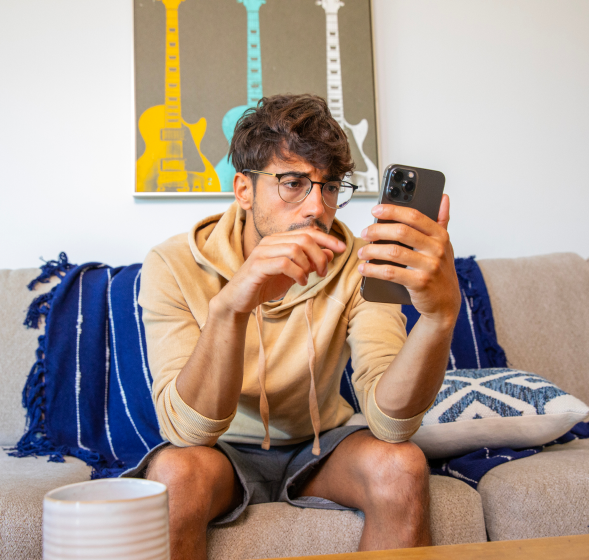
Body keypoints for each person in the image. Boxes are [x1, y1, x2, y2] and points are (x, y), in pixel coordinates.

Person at [128, 94, 461, 559]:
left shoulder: (360, 262)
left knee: (402, 465)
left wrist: (439, 317)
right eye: (292, 183)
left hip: (322, 447)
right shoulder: (173, 263)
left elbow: (391, 424)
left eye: (329, 187)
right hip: (221, 453)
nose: (315, 208)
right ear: (244, 189)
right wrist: (232, 306)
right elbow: (186, 432)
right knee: (173, 475)